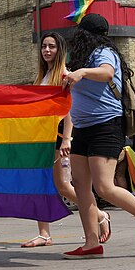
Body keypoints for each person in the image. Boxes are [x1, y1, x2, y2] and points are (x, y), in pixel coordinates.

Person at [61, 14, 135, 258]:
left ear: (84, 34)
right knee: (82, 187)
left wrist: (82, 72)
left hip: (106, 126)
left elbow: (106, 73)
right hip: (83, 128)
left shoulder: (103, 53)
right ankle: (91, 242)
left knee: (104, 186)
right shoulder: (80, 59)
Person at [21, 32, 111, 248]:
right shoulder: (44, 74)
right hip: (41, 136)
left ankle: (99, 215)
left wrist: (67, 139)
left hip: (59, 135)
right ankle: (44, 233)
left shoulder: (63, 75)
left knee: (62, 185)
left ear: (60, 50)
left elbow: (71, 108)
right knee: (40, 183)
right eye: (44, 46)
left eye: (51, 46)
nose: (47, 50)